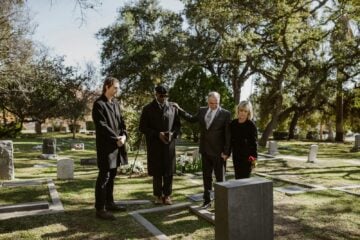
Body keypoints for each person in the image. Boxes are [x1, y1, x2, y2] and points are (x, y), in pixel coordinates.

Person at [176, 92, 231, 209]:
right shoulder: (202, 111)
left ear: (219, 101)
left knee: (220, 179)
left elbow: (228, 134)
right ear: (208, 102)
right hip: (205, 150)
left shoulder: (226, 114)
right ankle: (207, 201)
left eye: (216, 103)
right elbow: (191, 119)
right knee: (206, 177)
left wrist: (226, 152)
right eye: (211, 103)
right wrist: (179, 109)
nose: (214, 105)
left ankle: (221, 203)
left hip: (219, 152)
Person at [92, 77, 128, 220]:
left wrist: (124, 136)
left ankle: (110, 202)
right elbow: (101, 126)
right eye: (115, 87)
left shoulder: (116, 104)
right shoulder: (99, 104)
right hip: (106, 147)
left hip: (117, 146)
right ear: (107, 87)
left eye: (118, 88)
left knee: (112, 175)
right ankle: (100, 209)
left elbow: (122, 123)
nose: (117, 90)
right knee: (104, 176)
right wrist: (116, 138)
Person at [139, 85, 181, 205]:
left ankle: (167, 195)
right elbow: (142, 127)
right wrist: (157, 134)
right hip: (155, 144)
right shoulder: (147, 109)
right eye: (161, 96)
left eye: (165, 96)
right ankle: (158, 195)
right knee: (157, 172)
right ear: (156, 94)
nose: (163, 98)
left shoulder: (173, 108)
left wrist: (173, 134)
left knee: (168, 171)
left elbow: (178, 125)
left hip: (169, 145)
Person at [230, 100, 258, 179]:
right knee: (237, 177)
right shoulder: (233, 123)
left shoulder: (251, 125)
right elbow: (230, 140)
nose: (243, 113)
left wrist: (254, 161)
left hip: (247, 158)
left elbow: (254, 144)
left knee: (245, 179)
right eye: (241, 110)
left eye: (245, 111)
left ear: (248, 113)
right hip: (236, 155)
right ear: (238, 110)